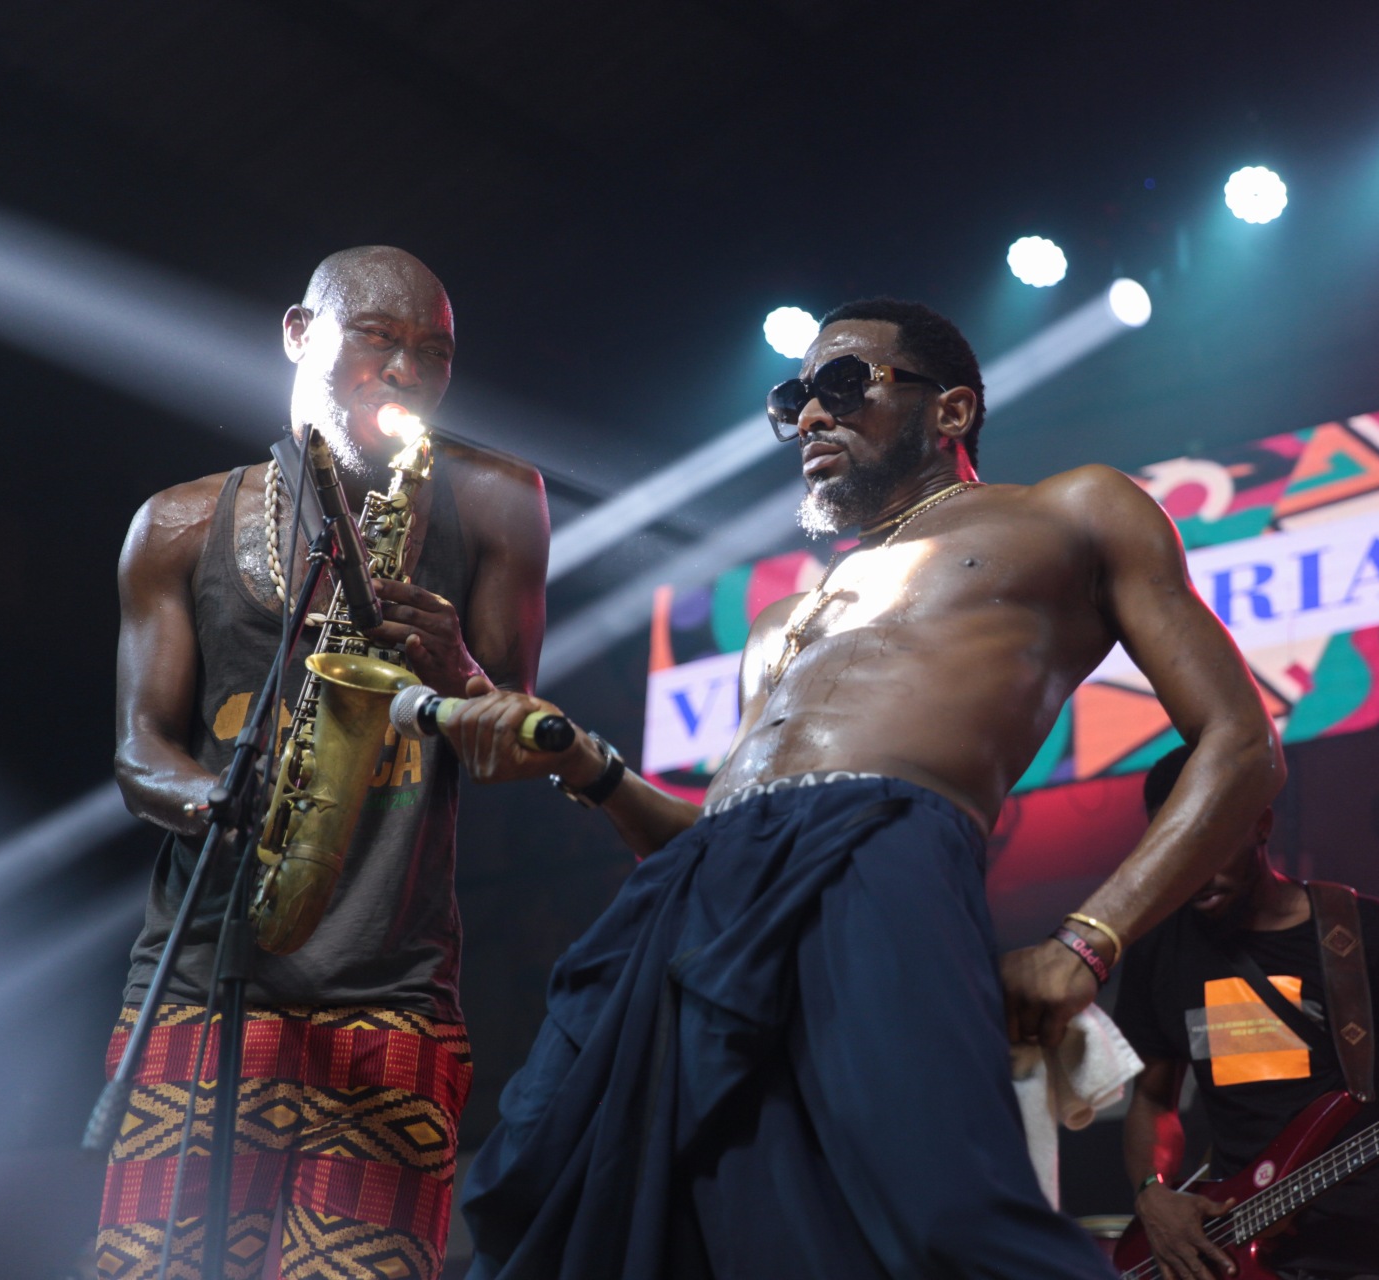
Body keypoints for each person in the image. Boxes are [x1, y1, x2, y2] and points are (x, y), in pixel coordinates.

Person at [442, 297, 1284, 1279]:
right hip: (695, 915)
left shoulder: (1072, 511)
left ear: (953, 410)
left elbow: (1242, 742)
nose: (808, 415)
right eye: (794, 396)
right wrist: (592, 767)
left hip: (887, 862)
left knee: (943, 1214)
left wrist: (1088, 940)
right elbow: (714, 840)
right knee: (617, 1216)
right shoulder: (778, 622)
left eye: (842, 383)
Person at [102, 246, 550, 1280]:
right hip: (204, 976)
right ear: (301, 333)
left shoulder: (495, 498)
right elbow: (137, 753)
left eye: (430, 356)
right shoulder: (177, 522)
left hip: (390, 987)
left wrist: (461, 667)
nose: (403, 372)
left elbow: (515, 748)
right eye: (379, 342)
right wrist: (224, 796)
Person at [1115, 745, 1379, 1280]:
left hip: (1365, 1245)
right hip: (1236, 1235)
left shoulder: (1359, 930)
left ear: (1261, 826)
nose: (1193, 871)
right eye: (1173, 849)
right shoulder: (1157, 950)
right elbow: (1153, 1101)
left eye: (1207, 841)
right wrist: (1153, 1196)